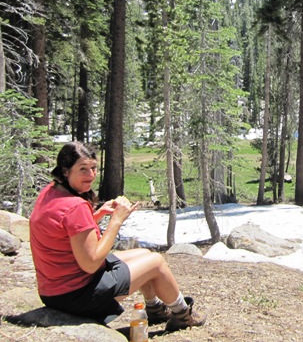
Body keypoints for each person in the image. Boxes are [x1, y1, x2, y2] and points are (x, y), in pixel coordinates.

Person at [29, 141, 206, 331]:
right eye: (82, 169)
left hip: (53, 291)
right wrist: (116, 221)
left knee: (144, 254)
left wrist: (95, 216)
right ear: (65, 171)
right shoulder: (75, 206)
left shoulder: (51, 191)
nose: (91, 175)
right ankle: (182, 315)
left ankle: (155, 309)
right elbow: (90, 264)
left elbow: (63, 233)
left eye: (94, 168)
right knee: (155, 261)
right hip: (75, 296)